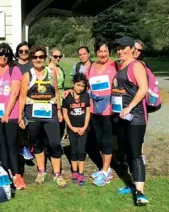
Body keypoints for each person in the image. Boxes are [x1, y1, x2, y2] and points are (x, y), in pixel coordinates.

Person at [18, 45, 66, 188]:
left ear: (45, 58)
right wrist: (20, 115)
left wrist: (58, 110)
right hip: (32, 113)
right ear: (32, 58)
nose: (38, 59)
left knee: (55, 143)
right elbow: (22, 97)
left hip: (50, 112)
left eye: (41, 57)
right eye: (35, 57)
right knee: (37, 143)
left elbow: (56, 92)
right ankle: (41, 171)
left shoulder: (51, 73)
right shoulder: (27, 75)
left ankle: (57, 174)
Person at [112, 36, 149, 205]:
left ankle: (140, 193)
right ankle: (133, 184)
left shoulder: (136, 65)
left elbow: (143, 89)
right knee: (126, 152)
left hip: (135, 117)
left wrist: (129, 107)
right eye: (118, 48)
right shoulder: (121, 67)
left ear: (131, 49)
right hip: (122, 117)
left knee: (135, 154)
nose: (119, 51)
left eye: (122, 48)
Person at [0, 43, 27, 189]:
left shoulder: (14, 70)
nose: (3, 56)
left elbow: (15, 93)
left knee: (11, 145)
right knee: (1, 145)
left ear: (10, 56)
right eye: (0, 53)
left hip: (10, 115)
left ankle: (17, 175)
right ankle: (6, 173)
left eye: (6, 54)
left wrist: (6, 113)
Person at [88, 38, 118, 187]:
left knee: (106, 140)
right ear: (96, 52)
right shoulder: (92, 66)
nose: (102, 54)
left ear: (110, 52)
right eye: (100, 51)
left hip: (109, 109)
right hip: (95, 109)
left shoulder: (115, 65)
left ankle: (106, 172)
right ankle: (104, 168)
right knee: (99, 139)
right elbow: (88, 86)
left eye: (105, 51)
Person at [62, 73, 90, 186]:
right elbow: (65, 114)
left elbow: (87, 113)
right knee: (73, 150)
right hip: (72, 129)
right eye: (78, 85)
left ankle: (81, 173)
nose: (80, 88)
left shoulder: (86, 96)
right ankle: (74, 172)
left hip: (83, 129)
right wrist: (71, 127)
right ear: (73, 84)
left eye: (82, 86)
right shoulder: (67, 97)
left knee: (81, 150)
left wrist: (84, 127)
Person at [12, 42, 34, 161]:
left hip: (31, 98)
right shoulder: (13, 65)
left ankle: (29, 146)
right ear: (17, 53)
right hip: (16, 98)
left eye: (26, 51)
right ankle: (22, 147)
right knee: (19, 123)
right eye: (21, 51)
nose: (24, 53)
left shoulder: (33, 64)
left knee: (30, 124)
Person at [48, 48, 66, 140]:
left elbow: (62, 86)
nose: (58, 58)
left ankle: (58, 143)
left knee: (61, 124)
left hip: (62, 100)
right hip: (51, 100)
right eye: (55, 56)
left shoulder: (61, 69)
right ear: (50, 56)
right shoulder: (47, 69)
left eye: (60, 56)